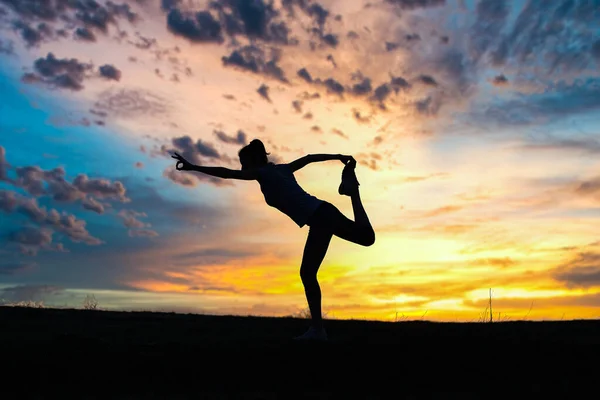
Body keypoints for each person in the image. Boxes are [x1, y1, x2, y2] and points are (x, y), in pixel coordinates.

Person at [171, 139, 375, 341]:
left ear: (253, 161)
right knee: (366, 238)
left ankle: (318, 330)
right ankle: (352, 190)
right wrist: (338, 157)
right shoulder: (283, 169)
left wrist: (193, 166)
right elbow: (309, 158)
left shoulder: (262, 173)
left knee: (307, 272)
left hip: (320, 217)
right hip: (323, 212)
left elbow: (227, 173)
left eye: (244, 163)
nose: (242, 168)